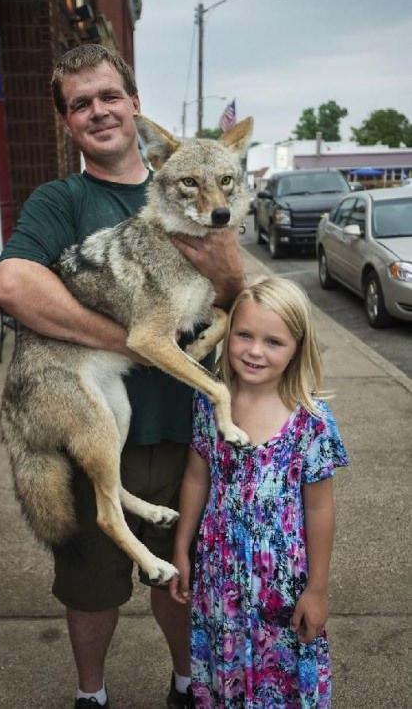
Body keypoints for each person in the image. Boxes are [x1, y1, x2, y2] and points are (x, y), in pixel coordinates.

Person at [0, 43, 246, 709]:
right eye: (80, 104)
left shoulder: (201, 186)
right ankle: (91, 693)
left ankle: (188, 684)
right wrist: (133, 343)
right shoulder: (61, 199)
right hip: (89, 410)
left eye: (109, 96)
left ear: (134, 104)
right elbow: (14, 286)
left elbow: (233, 295)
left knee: (180, 575)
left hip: (179, 433)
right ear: (66, 122)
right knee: (90, 584)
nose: (98, 111)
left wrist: (226, 280)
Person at [170, 276, 349, 708]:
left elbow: (320, 508)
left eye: (273, 342)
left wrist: (318, 591)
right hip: (219, 576)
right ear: (227, 334)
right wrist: (181, 549)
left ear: (297, 348)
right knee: (224, 671)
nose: (254, 351)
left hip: (283, 585)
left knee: (280, 680)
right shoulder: (210, 401)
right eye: (244, 335)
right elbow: (197, 477)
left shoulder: (311, 420)